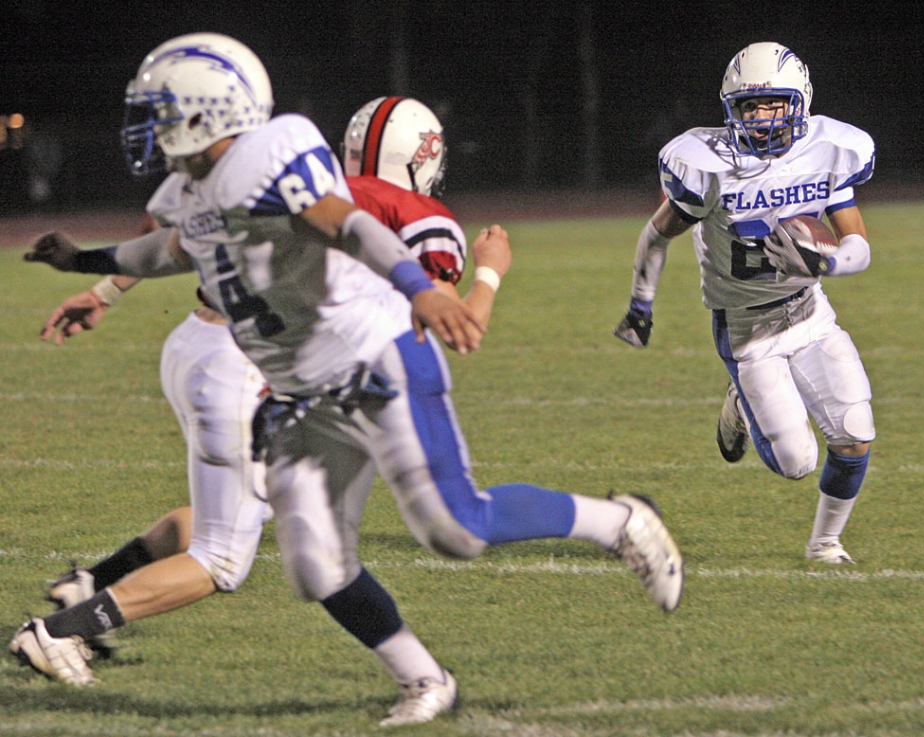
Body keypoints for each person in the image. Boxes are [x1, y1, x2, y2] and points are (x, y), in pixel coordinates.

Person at [12, 32, 682, 720]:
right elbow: (172, 247)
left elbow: (350, 226)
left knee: (454, 526)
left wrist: (418, 289)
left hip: (372, 357)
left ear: (207, 113)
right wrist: (87, 269)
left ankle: (621, 519)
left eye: (160, 111)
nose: (149, 127)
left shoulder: (266, 159)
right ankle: (427, 680)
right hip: (303, 392)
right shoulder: (196, 189)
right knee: (316, 563)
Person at [18, 96, 510, 727]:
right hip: (247, 365)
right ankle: (61, 628)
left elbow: (169, 243)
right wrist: (490, 274)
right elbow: (437, 308)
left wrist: (102, 285)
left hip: (201, 349)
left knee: (234, 511)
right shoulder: (378, 202)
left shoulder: (245, 173)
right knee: (223, 558)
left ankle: (89, 584)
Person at [614, 41, 875, 565]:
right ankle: (738, 400)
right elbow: (657, 234)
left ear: (799, 101)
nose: (760, 118)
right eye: (748, 107)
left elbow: (859, 247)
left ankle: (825, 544)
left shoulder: (828, 150)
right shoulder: (706, 164)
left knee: (855, 433)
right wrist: (640, 304)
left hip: (809, 311)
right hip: (746, 329)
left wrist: (826, 263)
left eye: (772, 104)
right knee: (795, 462)